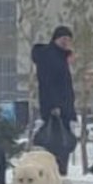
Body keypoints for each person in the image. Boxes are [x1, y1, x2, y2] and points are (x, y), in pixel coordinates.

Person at [31, 25, 76, 175]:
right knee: (56, 144)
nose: (66, 42)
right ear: (56, 39)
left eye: (68, 40)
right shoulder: (49, 56)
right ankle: (55, 175)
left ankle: (60, 174)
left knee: (64, 143)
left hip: (64, 107)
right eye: (63, 39)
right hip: (55, 109)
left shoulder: (61, 56)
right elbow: (47, 82)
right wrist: (54, 105)